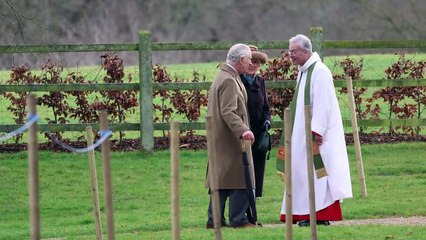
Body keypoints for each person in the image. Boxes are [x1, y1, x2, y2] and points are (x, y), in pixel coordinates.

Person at [278, 34, 353, 227]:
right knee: (302, 173)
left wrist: (317, 130)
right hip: (301, 133)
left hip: (315, 135)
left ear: (305, 51)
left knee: (316, 173)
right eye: (290, 51)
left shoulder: (319, 71)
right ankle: (306, 213)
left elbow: (324, 102)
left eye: (293, 51)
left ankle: (319, 214)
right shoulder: (303, 71)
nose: (290, 55)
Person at [205, 43, 258, 229]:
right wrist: (243, 130)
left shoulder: (224, 75)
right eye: (249, 59)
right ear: (241, 59)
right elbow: (228, 111)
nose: (251, 62)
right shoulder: (228, 80)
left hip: (221, 137)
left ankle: (215, 220)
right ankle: (239, 219)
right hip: (230, 138)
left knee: (221, 179)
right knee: (240, 177)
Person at [240, 45, 271, 200]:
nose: (254, 65)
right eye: (252, 61)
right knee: (243, 166)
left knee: (258, 165)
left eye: (258, 62)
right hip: (243, 129)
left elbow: (266, 107)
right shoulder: (237, 80)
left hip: (259, 130)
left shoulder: (260, 81)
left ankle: (255, 196)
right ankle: (243, 195)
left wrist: (267, 120)